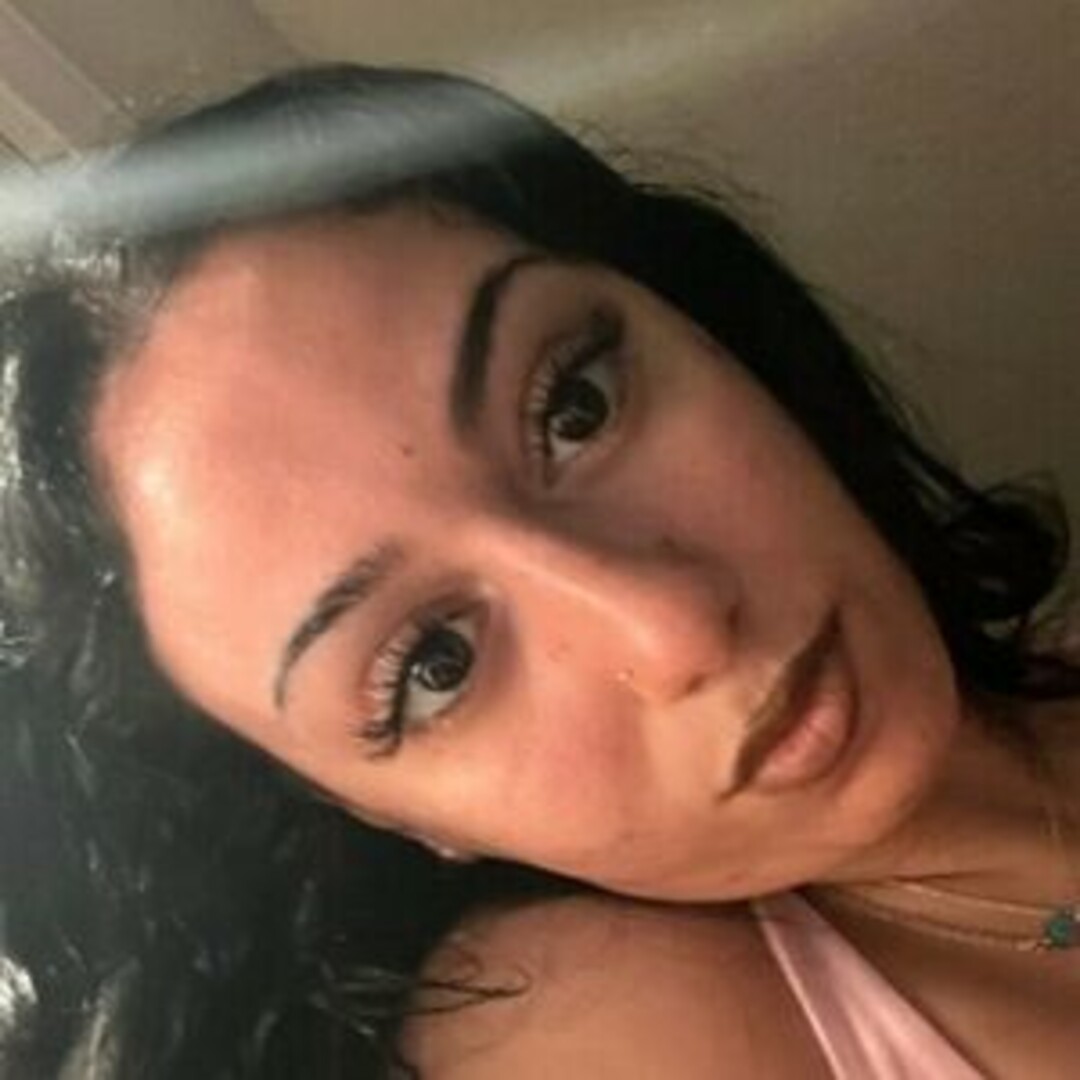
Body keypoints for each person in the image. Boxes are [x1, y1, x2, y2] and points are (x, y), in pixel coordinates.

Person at [1, 63, 1078, 1079]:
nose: (674, 628)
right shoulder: (592, 1028)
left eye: (575, 407)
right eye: (436, 663)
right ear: (380, 814)